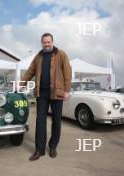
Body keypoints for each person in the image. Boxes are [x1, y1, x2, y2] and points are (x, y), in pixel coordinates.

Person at [21, 33, 72, 161]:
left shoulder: (61, 54)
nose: (46, 44)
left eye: (48, 42)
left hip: (57, 93)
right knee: (40, 121)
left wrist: (67, 90)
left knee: (56, 122)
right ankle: (39, 150)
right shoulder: (38, 57)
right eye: (44, 42)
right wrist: (21, 84)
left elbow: (67, 72)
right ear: (41, 43)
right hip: (41, 93)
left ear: (52, 42)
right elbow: (30, 71)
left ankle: (53, 146)